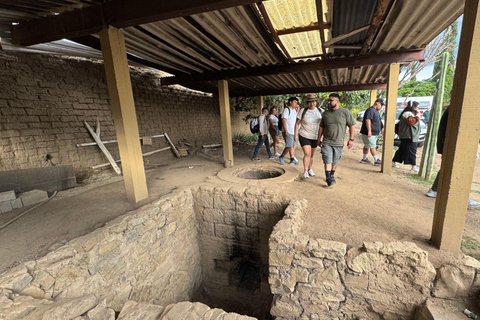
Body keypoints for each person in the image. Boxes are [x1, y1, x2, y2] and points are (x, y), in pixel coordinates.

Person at [425, 108, 479, 207]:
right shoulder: (458, 108)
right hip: (453, 146)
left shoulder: (453, 108)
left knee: (447, 168)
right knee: (459, 171)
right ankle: (461, 197)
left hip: (448, 145)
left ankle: (434, 189)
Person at [317, 93, 356, 186]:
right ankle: (328, 179)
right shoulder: (325, 113)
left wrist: (351, 139)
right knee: (327, 159)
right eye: (328, 100)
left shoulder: (345, 112)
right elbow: (321, 127)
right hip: (327, 142)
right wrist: (318, 139)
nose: (329, 102)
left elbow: (352, 126)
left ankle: (331, 176)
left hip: (338, 142)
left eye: (331, 100)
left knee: (334, 161)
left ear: (337, 101)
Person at [295, 93, 323, 179]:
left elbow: (324, 124)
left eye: (313, 101)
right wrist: (296, 135)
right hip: (304, 135)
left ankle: (310, 169)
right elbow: (297, 123)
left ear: (316, 102)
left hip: (315, 136)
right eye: (310, 102)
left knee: (312, 155)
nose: (312, 103)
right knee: (307, 153)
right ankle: (306, 170)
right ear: (307, 103)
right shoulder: (303, 111)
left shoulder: (321, 111)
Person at [392, 101, 421, 172]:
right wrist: (418, 116)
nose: (418, 108)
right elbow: (411, 122)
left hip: (407, 136)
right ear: (413, 107)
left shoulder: (407, 113)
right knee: (412, 150)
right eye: (417, 107)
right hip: (408, 136)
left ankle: (393, 162)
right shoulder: (408, 113)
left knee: (402, 150)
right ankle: (414, 166)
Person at [360, 98, 384, 165]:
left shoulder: (375, 111)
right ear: (377, 103)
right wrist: (369, 131)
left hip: (373, 132)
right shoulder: (370, 110)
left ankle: (365, 158)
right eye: (381, 104)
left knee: (367, 145)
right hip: (369, 132)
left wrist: (381, 128)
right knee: (372, 146)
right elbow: (368, 120)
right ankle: (376, 159)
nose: (381, 106)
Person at [279, 97, 299, 165]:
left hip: (293, 131)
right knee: (290, 146)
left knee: (292, 145)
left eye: (296, 102)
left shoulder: (294, 111)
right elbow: (284, 120)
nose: (296, 103)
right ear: (290, 102)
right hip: (288, 131)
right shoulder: (287, 110)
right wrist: (286, 130)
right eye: (295, 102)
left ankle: (287, 158)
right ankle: (287, 158)